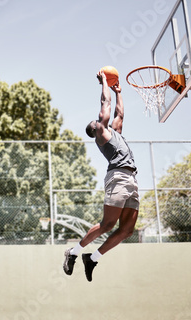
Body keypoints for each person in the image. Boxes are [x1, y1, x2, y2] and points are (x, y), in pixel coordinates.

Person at [63, 70, 139, 282]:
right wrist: (104, 81)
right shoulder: (101, 135)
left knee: (127, 230)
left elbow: (119, 114)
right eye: (96, 122)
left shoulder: (114, 133)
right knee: (107, 225)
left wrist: (119, 92)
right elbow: (105, 105)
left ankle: (93, 258)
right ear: (95, 129)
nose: (99, 120)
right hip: (118, 178)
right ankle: (74, 252)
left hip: (131, 179)